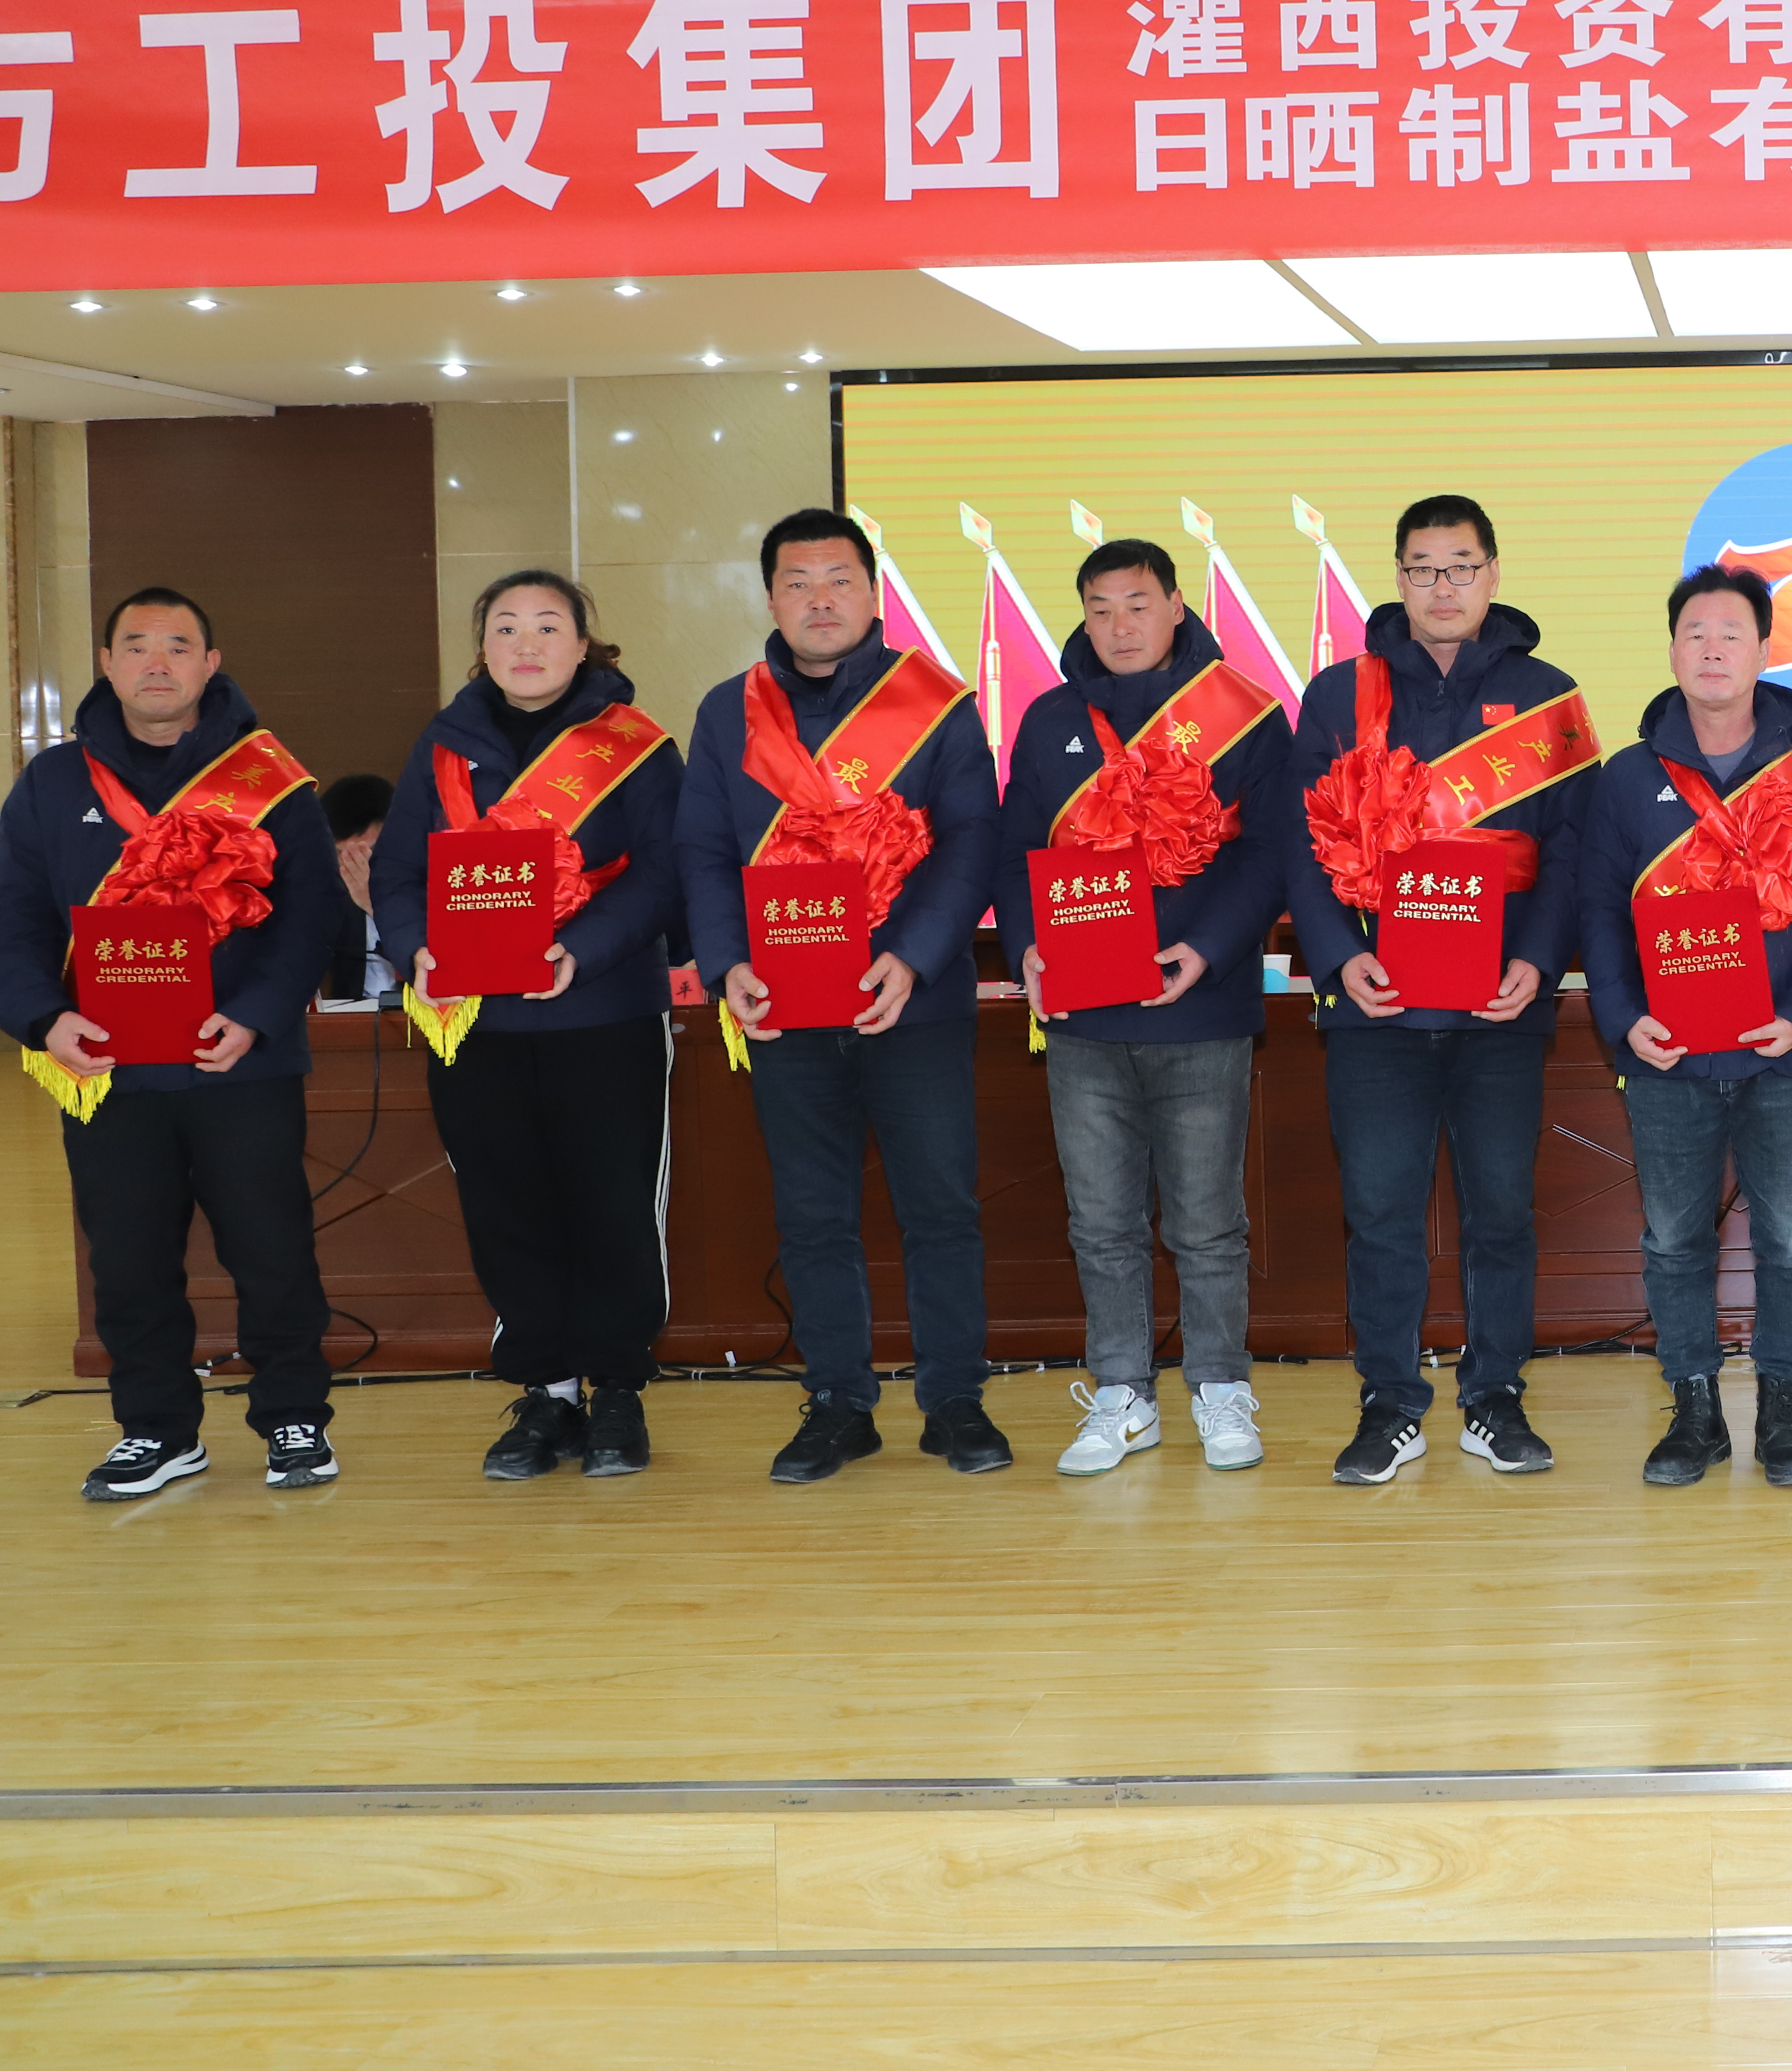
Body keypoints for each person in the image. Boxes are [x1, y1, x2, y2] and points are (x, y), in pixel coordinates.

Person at [0, 588, 348, 1499]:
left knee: (272, 1248)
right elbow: (14, 919)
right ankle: (155, 1428)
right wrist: (45, 1020)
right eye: (137, 645)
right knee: (128, 1258)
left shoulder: (272, 780)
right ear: (107, 663)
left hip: (241, 1060)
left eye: (179, 646)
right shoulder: (52, 783)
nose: (157, 662)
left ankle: (294, 1417)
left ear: (210, 665)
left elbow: (312, 915)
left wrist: (256, 1014)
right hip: (106, 1066)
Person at [674, 508, 1008, 1483]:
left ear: (872, 592)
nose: (819, 600)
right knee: (813, 1216)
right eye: (798, 582)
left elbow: (972, 841)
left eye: (839, 580)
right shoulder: (727, 712)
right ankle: (837, 1404)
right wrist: (726, 961)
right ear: (770, 597)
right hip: (782, 1004)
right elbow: (702, 850)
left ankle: (955, 1401)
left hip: (915, 1003)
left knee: (940, 1208)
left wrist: (913, 957)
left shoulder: (936, 703)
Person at [1288, 494, 1594, 1485]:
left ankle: (1494, 1399)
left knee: (1501, 1212)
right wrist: (1338, 959)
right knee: (1381, 1214)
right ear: (1399, 579)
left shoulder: (1547, 695)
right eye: (1422, 568)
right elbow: (1301, 842)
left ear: (1493, 573)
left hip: (1500, 1008)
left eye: (1460, 566)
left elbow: (1572, 849)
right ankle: (1389, 1404)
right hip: (1376, 1007)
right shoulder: (1340, 695)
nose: (1442, 586)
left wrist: (1536, 963)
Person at [376, 571, 688, 1480]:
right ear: (482, 648)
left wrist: (579, 951)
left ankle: (617, 1389)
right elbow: (398, 871)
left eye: (548, 626)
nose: (527, 643)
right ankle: (547, 1391)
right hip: (478, 1026)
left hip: (604, 1012)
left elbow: (663, 873)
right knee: (506, 1207)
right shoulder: (443, 745)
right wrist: (415, 947)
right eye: (506, 627)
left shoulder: (634, 745)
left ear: (584, 645)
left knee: (614, 1206)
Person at [997, 538, 1298, 1477]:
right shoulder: (1050, 719)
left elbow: (1271, 852)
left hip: (1201, 1009)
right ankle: (1122, 1392)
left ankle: (1219, 1386)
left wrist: (1204, 950)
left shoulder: (1243, 712)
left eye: (1138, 604)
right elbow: (1015, 852)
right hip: (1083, 1019)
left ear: (1176, 606)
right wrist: (1026, 946)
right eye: (1100, 609)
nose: (1120, 625)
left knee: (1206, 1223)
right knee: (1101, 1224)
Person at [1579, 565, 1792, 1488]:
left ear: (1764, 650)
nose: (1712, 649)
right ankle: (1695, 1412)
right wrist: (1625, 1020)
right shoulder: (1628, 779)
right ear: (1672, 650)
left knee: (1790, 1239)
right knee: (1674, 1239)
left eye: (1731, 633)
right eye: (1695, 633)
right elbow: (1599, 912)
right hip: (1666, 1054)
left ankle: (1784, 1410)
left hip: (1782, 1052)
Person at [322, 772, 396, 1002]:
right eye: (344, 855)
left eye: (368, 852)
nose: (357, 866)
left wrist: (376, 905)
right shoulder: (325, 894)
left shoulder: (432, 888)